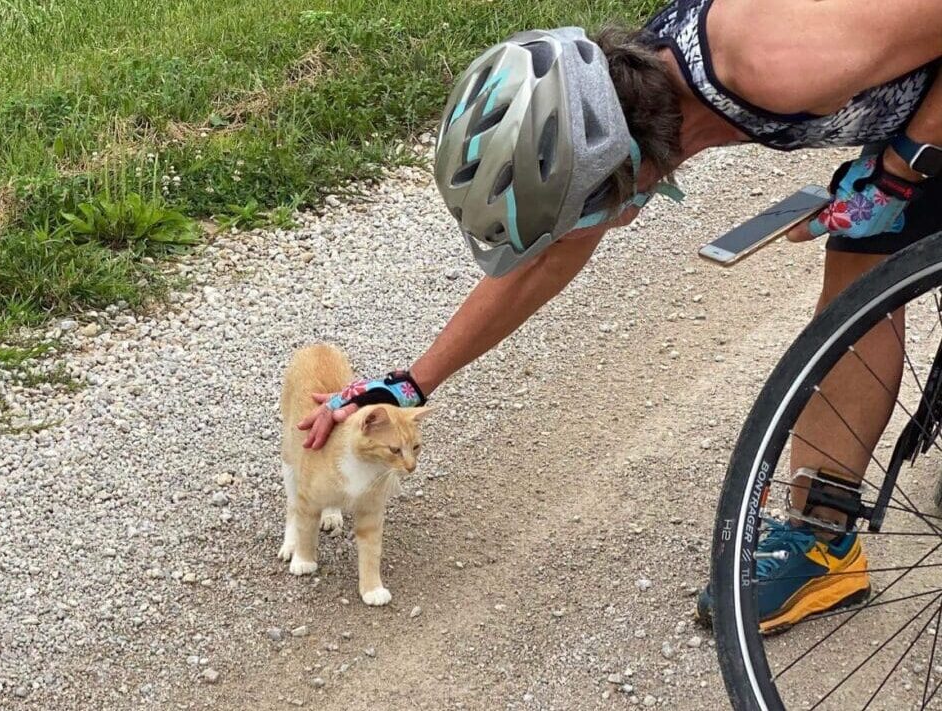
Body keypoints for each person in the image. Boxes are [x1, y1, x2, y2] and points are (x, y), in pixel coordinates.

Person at [298, 0, 942, 631]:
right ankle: (822, 546)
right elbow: (549, 261)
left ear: (622, 169)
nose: (574, 234)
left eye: (574, 215)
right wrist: (411, 384)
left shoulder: (774, 56)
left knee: (883, 213)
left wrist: (903, 164)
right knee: (863, 274)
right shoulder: (627, 113)